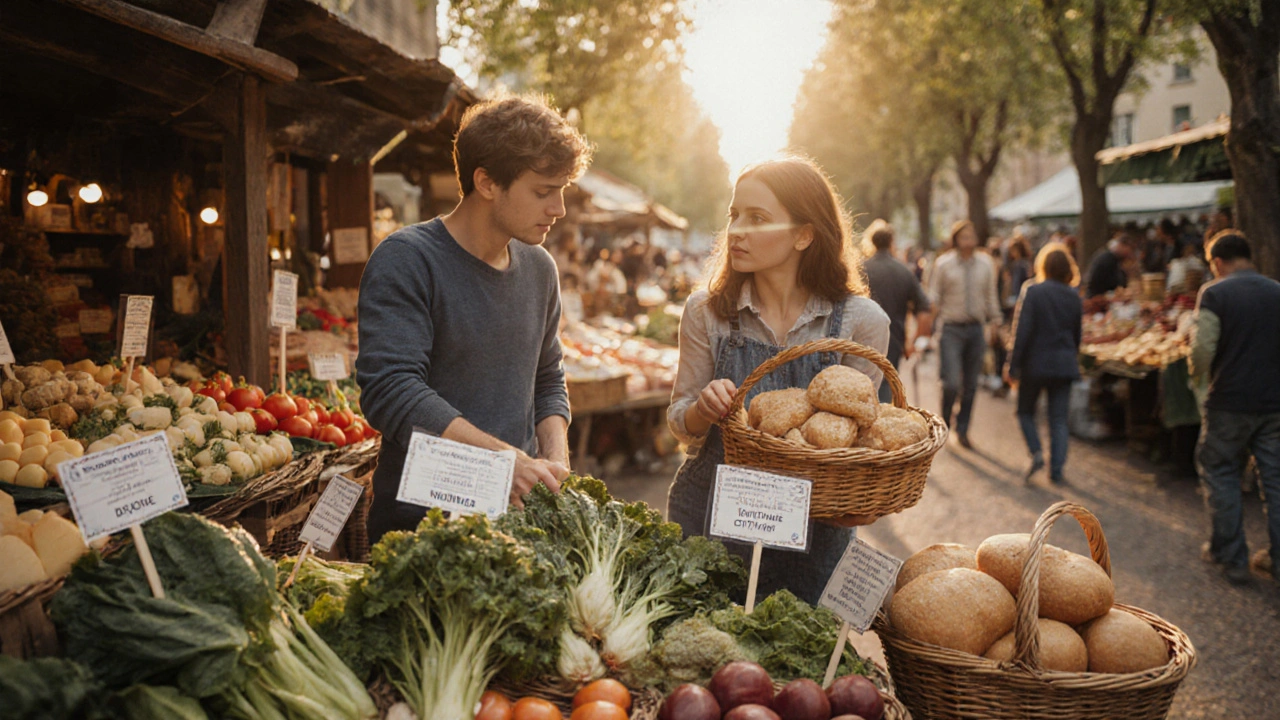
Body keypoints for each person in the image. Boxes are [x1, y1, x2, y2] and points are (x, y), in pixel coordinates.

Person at [355, 94, 593, 542]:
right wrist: (503, 464)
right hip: (419, 529)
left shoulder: (540, 268)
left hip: (516, 523)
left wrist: (554, 464)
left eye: (561, 191)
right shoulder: (407, 260)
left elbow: (547, 376)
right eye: (543, 192)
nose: (558, 208)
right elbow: (391, 389)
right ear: (486, 182)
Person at [665, 156, 890, 605]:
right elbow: (679, 423)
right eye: (734, 216)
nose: (736, 231)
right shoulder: (705, 313)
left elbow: (860, 436)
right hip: (711, 518)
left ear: (804, 234)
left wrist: (859, 501)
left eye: (757, 218)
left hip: (814, 533)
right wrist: (701, 410)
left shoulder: (861, 322)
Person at [1189, 231, 1280, 585]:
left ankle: (1232, 557)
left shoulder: (1215, 293)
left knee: (1222, 472)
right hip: (1274, 404)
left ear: (1218, 262)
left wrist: (1198, 379)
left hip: (1228, 401)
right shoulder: (1276, 291)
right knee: (1275, 481)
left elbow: (1201, 350)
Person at [1004, 243, 1082, 485]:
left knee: (1025, 411)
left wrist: (1012, 364)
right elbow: (1077, 334)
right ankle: (1056, 469)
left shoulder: (1033, 290)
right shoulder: (1073, 295)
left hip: (1035, 364)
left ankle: (1036, 452)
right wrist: (1072, 357)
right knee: (1058, 419)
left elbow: (1021, 332)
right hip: (1064, 364)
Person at [929, 220, 1001, 448]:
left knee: (971, 384)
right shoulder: (944, 264)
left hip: (976, 329)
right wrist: (928, 330)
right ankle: (946, 418)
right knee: (950, 382)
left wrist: (996, 322)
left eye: (971, 235)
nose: (968, 240)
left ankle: (963, 428)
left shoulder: (986, 264)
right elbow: (934, 298)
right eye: (964, 236)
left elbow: (991, 296)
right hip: (951, 328)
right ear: (956, 239)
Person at [862, 219, 933, 403]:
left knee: (861, 382)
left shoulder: (861, 269)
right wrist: (913, 341)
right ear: (892, 242)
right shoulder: (904, 271)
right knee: (885, 383)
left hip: (861, 336)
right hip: (894, 337)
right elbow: (925, 311)